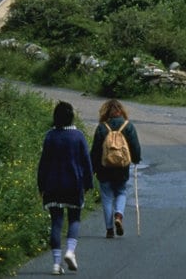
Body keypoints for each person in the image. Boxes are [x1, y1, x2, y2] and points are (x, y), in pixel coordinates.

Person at [37, 101, 93, 275]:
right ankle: (70, 251)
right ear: (71, 117)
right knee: (74, 219)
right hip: (73, 184)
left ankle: (55, 264)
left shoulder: (50, 136)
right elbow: (86, 162)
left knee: (56, 222)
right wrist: (88, 183)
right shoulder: (78, 136)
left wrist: (41, 185)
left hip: (52, 185)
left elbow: (43, 164)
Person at [90, 99, 142, 238]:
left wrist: (93, 168)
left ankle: (109, 230)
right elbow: (135, 147)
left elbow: (95, 150)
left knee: (106, 197)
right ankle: (118, 215)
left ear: (106, 112)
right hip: (121, 167)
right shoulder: (128, 126)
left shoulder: (102, 127)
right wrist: (136, 159)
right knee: (121, 192)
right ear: (121, 111)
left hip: (104, 167)